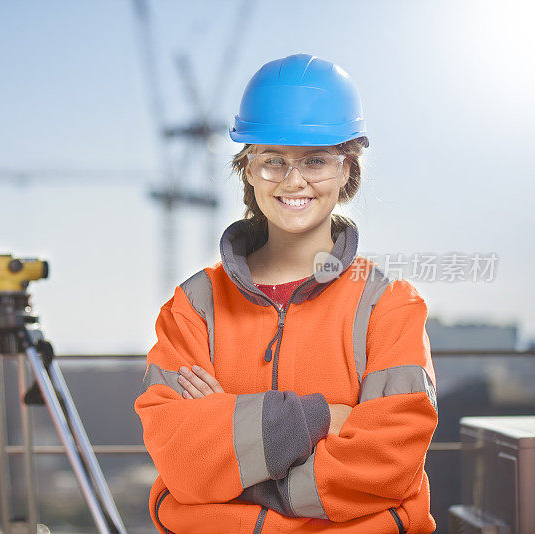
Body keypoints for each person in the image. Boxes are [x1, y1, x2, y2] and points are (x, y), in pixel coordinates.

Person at [135, 54, 438, 533]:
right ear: (248, 171)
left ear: (347, 172)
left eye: (316, 160)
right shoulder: (193, 307)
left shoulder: (388, 304)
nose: (294, 180)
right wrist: (319, 418)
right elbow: (179, 458)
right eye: (272, 161)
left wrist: (235, 461)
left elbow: (389, 461)